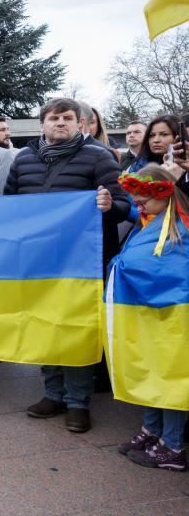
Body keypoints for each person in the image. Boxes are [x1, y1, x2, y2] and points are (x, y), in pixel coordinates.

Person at [4, 97, 129, 433]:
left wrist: (108, 204)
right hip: (37, 259)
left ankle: (78, 402)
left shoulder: (98, 157)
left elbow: (123, 204)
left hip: (81, 262)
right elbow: (9, 206)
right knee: (44, 325)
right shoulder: (24, 159)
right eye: (54, 118)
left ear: (80, 124)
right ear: (41, 123)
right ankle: (52, 394)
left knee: (75, 328)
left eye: (68, 118)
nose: (60, 123)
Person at [113, 166, 188, 471]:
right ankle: (152, 430)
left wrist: (123, 267)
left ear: (164, 194)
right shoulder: (153, 221)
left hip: (172, 315)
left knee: (170, 377)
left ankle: (173, 446)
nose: (137, 205)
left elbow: (171, 271)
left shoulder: (180, 228)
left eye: (143, 199)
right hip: (149, 312)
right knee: (151, 369)